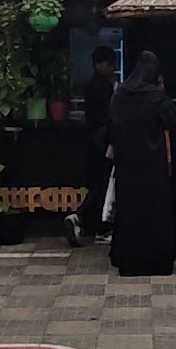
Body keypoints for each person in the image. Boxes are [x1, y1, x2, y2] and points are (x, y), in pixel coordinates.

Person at [107, 51, 176, 277]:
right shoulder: (157, 96)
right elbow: (172, 122)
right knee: (156, 213)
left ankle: (130, 262)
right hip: (153, 166)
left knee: (130, 213)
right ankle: (157, 263)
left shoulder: (120, 95)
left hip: (127, 164)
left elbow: (112, 126)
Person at [65, 47, 117, 247]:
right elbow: (108, 117)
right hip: (102, 143)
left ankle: (84, 222)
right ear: (98, 64)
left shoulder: (90, 85)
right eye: (108, 64)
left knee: (97, 186)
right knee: (102, 187)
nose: (112, 68)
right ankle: (91, 223)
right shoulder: (104, 87)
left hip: (92, 141)